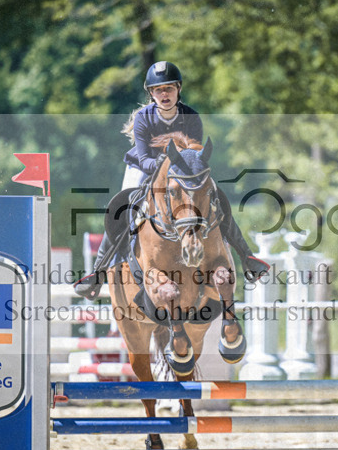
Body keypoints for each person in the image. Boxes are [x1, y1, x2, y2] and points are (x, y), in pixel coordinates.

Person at [74, 61, 269, 300]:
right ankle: (98, 272)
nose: (164, 94)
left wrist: (179, 170)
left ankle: (247, 257)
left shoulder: (191, 117)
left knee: (215, 195)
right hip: (145, 167)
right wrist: (163, 167)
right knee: (121, 206)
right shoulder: (144, 118)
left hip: (183, 170)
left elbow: (195, 155)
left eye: (169, 88)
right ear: (151, 93)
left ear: (178, 89)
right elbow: (144, 158)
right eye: (158, 90)